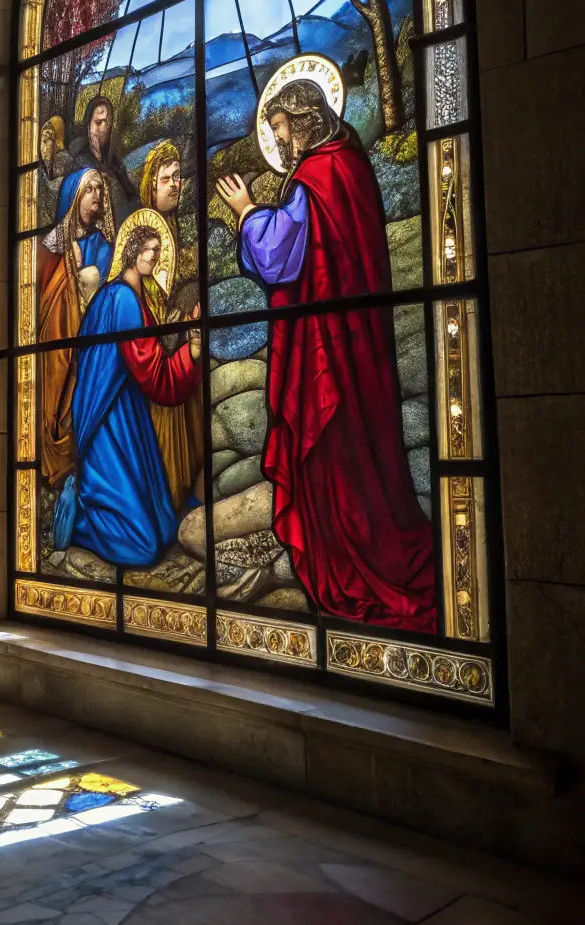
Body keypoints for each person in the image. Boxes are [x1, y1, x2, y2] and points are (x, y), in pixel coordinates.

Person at [216, 76, 436, 632]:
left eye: (282, 128)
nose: (281, 140)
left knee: (336, 457)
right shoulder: (354, 166)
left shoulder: (316, 178)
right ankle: (366, 542)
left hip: (329, 354)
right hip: (361, 344)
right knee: (368, 452)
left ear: (306, 120)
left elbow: (277, 256)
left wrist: (245, 210)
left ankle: (345, 558)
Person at [56, 214, 201, 567]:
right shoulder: (121, 298)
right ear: (132, 251)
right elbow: (152, 372)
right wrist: (192, 352)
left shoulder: (129, 296)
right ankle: (79, 520)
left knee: (166, 528)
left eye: (158, 250)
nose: (154, 257)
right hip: (109, 422)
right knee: (143, 547)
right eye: (149, 250)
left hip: (127, 417)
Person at [38, 168, 115, 487]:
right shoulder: (52, 246)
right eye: (89, 190)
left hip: (92, 341)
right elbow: (41, 294)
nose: (97, 195)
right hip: (56, 339)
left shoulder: (106, 247)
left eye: (100, 189)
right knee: (53, 388)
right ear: (73, 198)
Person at [138, 141, 203, 508]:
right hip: (159, 363)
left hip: (185, 353)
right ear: (151, 185)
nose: (175, 184)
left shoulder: (176, 228)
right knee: (165, 447)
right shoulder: (142, 237)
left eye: (178, 176)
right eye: (166, 178)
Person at [68, 95, 137, 225]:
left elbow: (131, 197)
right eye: (98, 123)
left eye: (107, 122)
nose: (103, 129)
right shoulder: (79, 163)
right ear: (87, 125)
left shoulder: (115, 162)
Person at [37, 115, 73, 224]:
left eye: (48, 139)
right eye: (42, 140)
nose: (44, 147)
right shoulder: (45, 170)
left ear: (57, 141)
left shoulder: (65, 160)